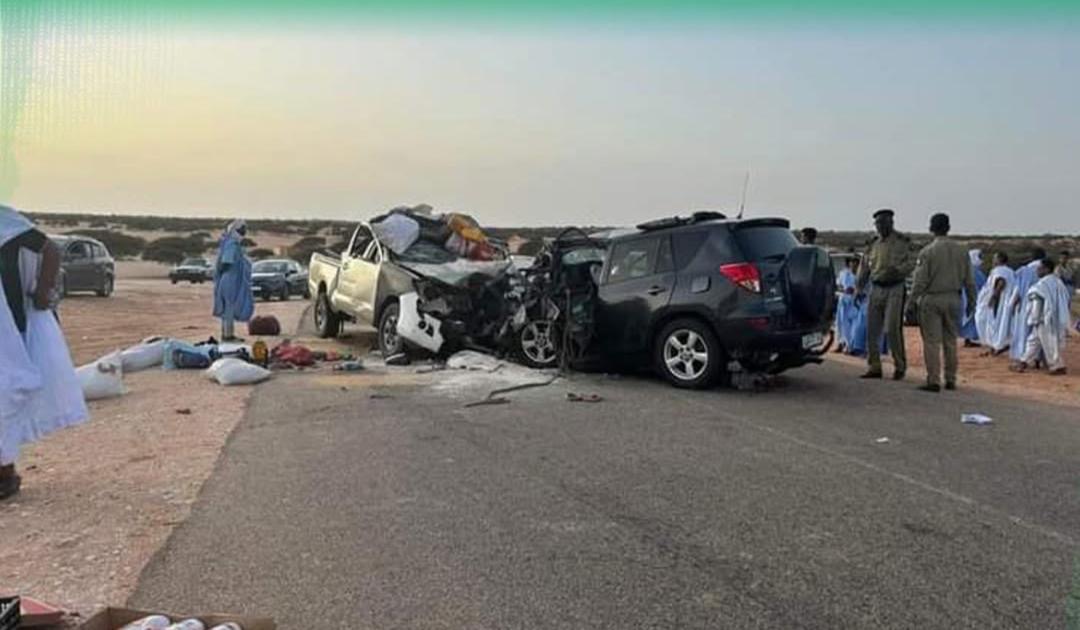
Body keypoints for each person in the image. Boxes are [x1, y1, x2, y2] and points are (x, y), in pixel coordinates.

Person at [0, 205, 88, 500]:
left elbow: (49, 249)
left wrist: (44, 289)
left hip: (10, 326)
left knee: (7, 393)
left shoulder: (7, 221)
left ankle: (4, 472)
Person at [906, 213, 977, 392]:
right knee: (951, 341)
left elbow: (920, 281)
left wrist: (912, 301)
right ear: (948, 227)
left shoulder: (927, 252)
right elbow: (970, 280)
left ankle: (934, 379)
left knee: (931, 341)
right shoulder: (962, 251)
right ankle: (951, 378)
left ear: (931, 228)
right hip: (954, 298)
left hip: (932, 298)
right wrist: (972, 301)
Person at [856, 208, 915, 380]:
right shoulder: (872, 245)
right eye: (878, 224)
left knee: (891, 328)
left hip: (895, 288)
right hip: (876, 288)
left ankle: (900, 366)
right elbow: (864, 267)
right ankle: (874, 366)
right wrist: (859, 287)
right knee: (872, 329)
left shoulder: (901, 242)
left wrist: (898, 271)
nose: (880, 226)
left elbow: (911, 263)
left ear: (891, 223)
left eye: (884, 223)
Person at [1011, 259, 1071, 375]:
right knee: (1033, 341)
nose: (1037, 270)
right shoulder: (1058, 283)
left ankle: (1057, 366)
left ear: (1047, 269)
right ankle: (1023, 362)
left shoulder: (1041, 285)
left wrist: (1034, 319)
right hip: (1055, 317)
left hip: (1043, 319)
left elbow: (1037, 303)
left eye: (1040, 268)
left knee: (1049, 343)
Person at [212, 219, 254, 341]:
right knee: (228, 308)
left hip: (231, 279)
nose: (243, 233)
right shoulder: (232, 244)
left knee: (228, 309)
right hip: (230, 280)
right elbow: (226, 261)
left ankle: (227, 334)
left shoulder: (231, 243)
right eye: (241, 230)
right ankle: (227, 336)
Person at [1006, 247, 1046, 362]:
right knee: (1041, 333)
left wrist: (1012, 305)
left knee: (1025, 332)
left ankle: (1025, 356)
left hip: (1026, 306)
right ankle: (1039, 358)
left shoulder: (1024, 270)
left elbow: (1018, 290)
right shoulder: (1047, 269)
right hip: (1043, 306)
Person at [975, 252, 1015, 355]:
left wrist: (994, 297)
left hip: (999, 301)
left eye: (995, 258)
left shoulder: (1000, 271)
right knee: (997, 323)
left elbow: (1001, 282)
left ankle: (998, 345)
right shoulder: (1009, 270)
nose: (993, 260)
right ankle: (995, 345)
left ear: (1000, 260)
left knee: (991, 322)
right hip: (1003, 301)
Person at [959, 249, 987, 347]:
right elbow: (983, 285)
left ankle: (969, 338)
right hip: (974, 297)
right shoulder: (976, 272)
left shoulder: (965, 270)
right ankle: (970, 338)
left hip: (965, 297)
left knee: (967, 317)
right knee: (972, 318)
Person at [834, 256, 859, 353]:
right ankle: (840, 343)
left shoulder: (859, 275)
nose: (853, 264)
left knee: (851, 325)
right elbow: (838, 285)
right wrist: (844, 289)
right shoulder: (843, 273)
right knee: (840, 323)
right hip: (843, 299)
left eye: (855, 262)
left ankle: (850, 345)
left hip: (853, 301)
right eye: (852, 262)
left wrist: (854, 290)